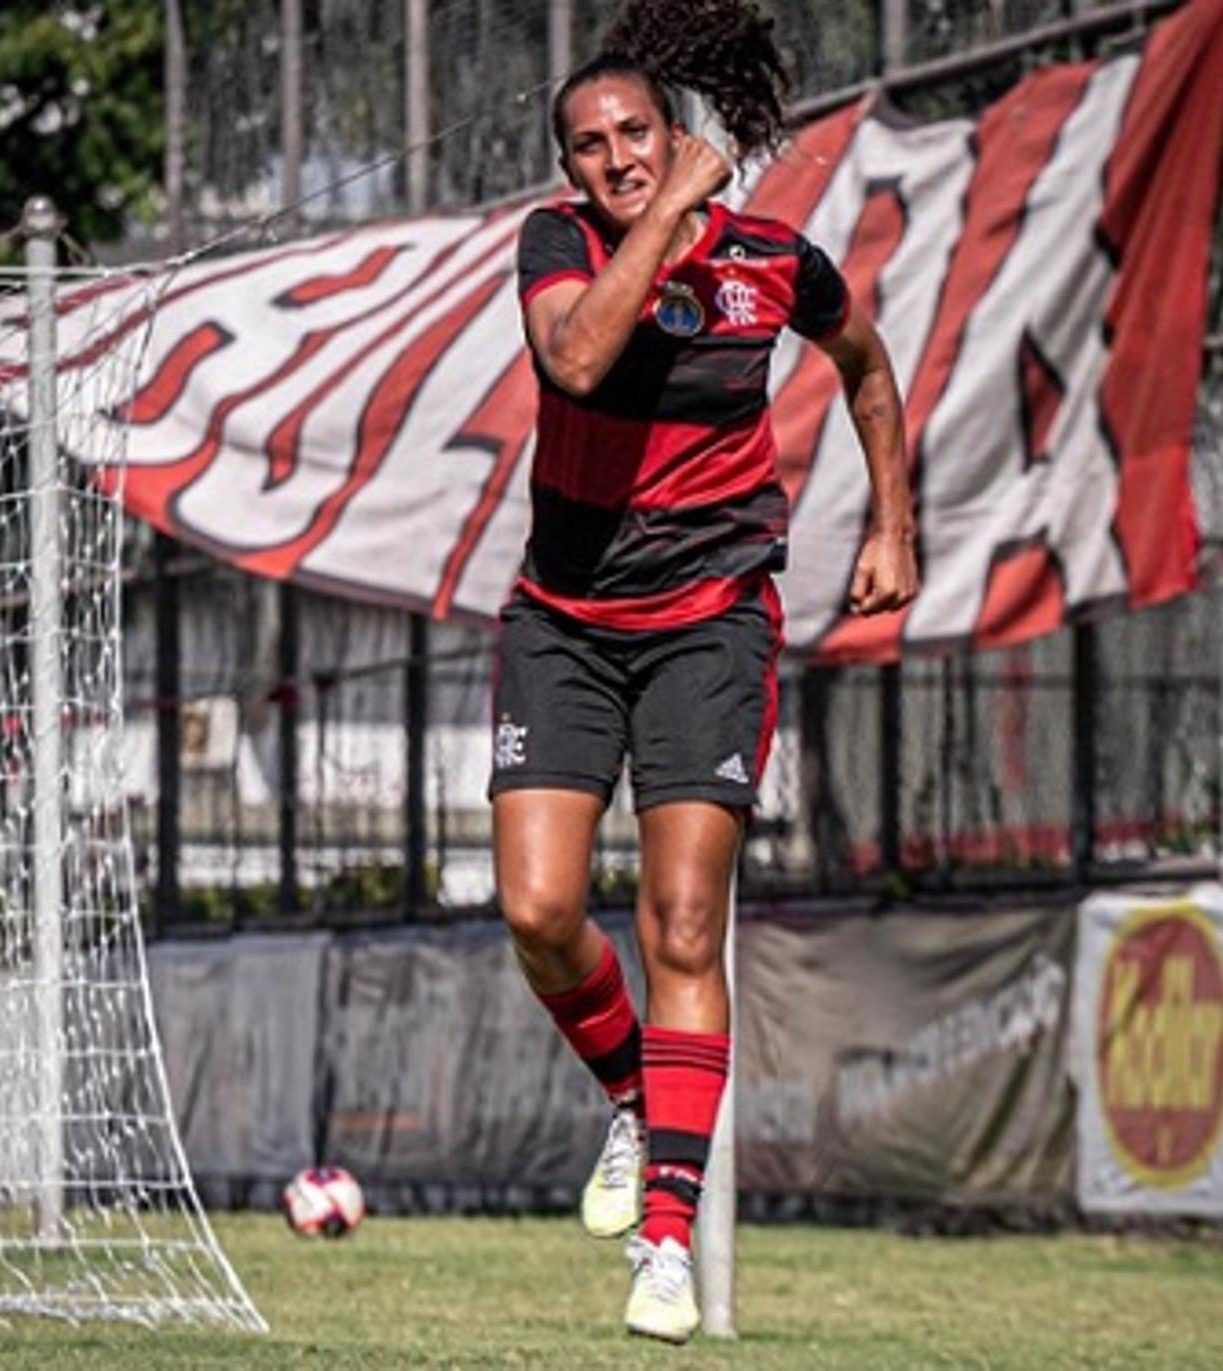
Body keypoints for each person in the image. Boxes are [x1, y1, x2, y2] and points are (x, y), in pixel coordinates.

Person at [491, 0, 918, 1343]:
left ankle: (664, 1242)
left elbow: (866, 368)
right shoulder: (559, 250)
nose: (616, 155)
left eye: (638, 133)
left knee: (683, 923)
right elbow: (576, 359)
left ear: (674, 127)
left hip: (710, 624)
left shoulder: (777, 265)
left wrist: (895, 523)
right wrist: (665, 211)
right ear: (570, 174)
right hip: (562, 621)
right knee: (539, 913)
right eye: (592, 146)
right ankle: (632, 1092)